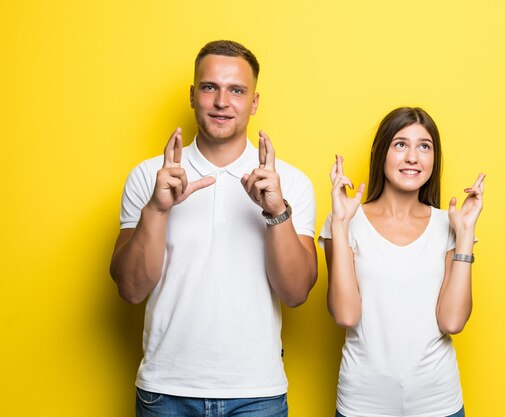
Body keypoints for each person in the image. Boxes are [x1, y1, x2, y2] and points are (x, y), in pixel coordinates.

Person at [110, 40, 317, 417]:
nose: (223, 101)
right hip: (166, 392)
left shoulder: (291, 182)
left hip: (258, 394)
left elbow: (296, 292)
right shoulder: (148, 177)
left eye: (237, 90)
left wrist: (276, 212)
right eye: (210, 87)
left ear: (254, 102)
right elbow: (130, 289)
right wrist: (157, 210)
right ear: (193, 96)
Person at [319, 107, 485, 417]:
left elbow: (452, 322)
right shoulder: (346, 220)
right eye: (400, 144)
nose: (413, 157)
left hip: (439, 404)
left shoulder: (449, 223)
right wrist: (340, 225)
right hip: (362, 405)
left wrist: (465, 236)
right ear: (381, 152)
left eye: (424, 146)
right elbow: (345, 314)